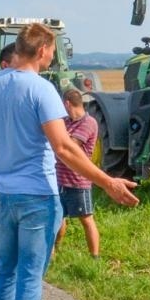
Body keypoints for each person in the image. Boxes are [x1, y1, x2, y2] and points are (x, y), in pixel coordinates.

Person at [0, 23, 140, 300]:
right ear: (43, 50)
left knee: (5, 271)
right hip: (37, 195)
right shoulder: (42, 89)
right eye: (52, 49)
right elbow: (63, 147)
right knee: (30, 276)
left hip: (3, 195)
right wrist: (107, 181)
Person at [53, 88, 101, 258]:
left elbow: (70, 146)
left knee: (86, 219)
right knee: (58, 218)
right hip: (59, 179)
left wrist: (60, 139)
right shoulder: (65, 121)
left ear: (67, 103)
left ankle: (94, 257)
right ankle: (55, 250)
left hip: (78, 181)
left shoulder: (89, 122)